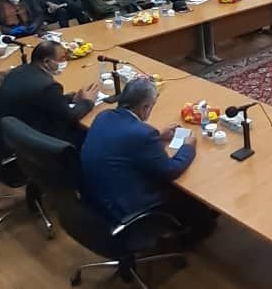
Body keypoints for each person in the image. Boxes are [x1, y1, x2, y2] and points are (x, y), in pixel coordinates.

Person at [79, 77, 213, 233]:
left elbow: (126, 144)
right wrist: (188, 147)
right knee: (192, 199)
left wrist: (159, 137)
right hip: (126, 205)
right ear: (145, 107)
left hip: (97, 197)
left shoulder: (103, 116)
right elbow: (171, 170)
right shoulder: (143, 134)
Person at [0, 40, 97, 147]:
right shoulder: (48, 86)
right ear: (47, 62)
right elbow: (70, 117)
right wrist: (88, 101)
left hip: (13, 131)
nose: (65, 61)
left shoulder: (19, 70)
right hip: (39, 138)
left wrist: (70, 98)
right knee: (92, 131)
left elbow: (45, 101)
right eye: (62, 58)